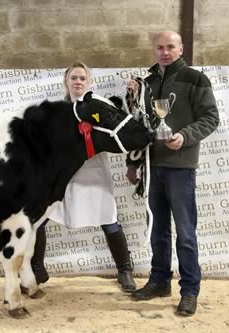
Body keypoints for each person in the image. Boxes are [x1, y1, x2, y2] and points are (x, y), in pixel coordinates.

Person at [126, 31, 219, 316]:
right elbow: (137, 124)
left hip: (181, 167)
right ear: (154, 50)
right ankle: (159, 281)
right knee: (158, 229)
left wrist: (184, 136)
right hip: (153, 167)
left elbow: (211, 118)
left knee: (186, 234)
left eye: (170, 47)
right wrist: (134, 163)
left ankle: (190, 291)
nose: (165, 52)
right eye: (159, 47)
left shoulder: (196, 79)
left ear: (180, 48)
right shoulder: (148, 84)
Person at [31, 61, 136, 292]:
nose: (78, 82)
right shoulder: (55, 111)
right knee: (38, 220)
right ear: (66, 82)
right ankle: (37, 269)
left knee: (109, 220)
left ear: (89, 82)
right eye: (74, 78)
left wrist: (131, 95)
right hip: (63, 176)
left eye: (82, 78)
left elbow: (121, 130)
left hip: (94, 173)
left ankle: (125, 270)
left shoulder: (100, 107)